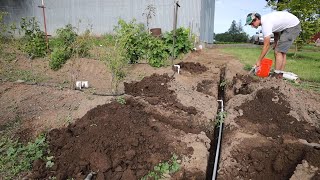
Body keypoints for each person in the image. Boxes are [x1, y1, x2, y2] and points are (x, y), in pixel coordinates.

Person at [245, 11, 301, 79]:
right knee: (282, 51)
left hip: (292, 27)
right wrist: (275, 42)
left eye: (252, 23)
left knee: (278, 51)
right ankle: (280, 74)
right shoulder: (266, 20)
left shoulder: (265, 24)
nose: (252, 26)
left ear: (257, 19)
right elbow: (276, 30)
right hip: (292, 25)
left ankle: (276, 74)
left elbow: (266, 46)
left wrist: (259, 61)